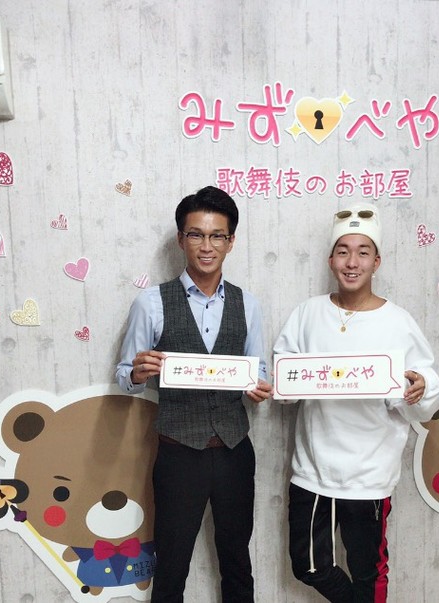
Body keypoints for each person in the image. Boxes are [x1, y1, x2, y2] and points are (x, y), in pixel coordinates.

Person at [273, 203, 439, 603]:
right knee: (308, 566)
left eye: (363, 252)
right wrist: (289, 381)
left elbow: (427, 390)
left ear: (376, 261)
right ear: (331, 260)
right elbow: (284, 380)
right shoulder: (307, 314)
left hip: (370, 474)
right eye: (343, 251)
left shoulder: (398, 322)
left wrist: (421, 389)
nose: (352, 262)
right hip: (313, 470)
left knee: (368, 571)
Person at [116, 185, 272, 603]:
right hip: (178, 453)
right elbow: (124, 374)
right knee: (171, 565)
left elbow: (257, 369)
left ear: (230, 241)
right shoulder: (151, 303)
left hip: (235, 450)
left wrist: (260, 387)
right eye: (196, 234)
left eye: (217, 235)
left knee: (237, 560)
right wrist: (137, 372)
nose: (207, 246)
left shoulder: (248, 304)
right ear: (181, 239)